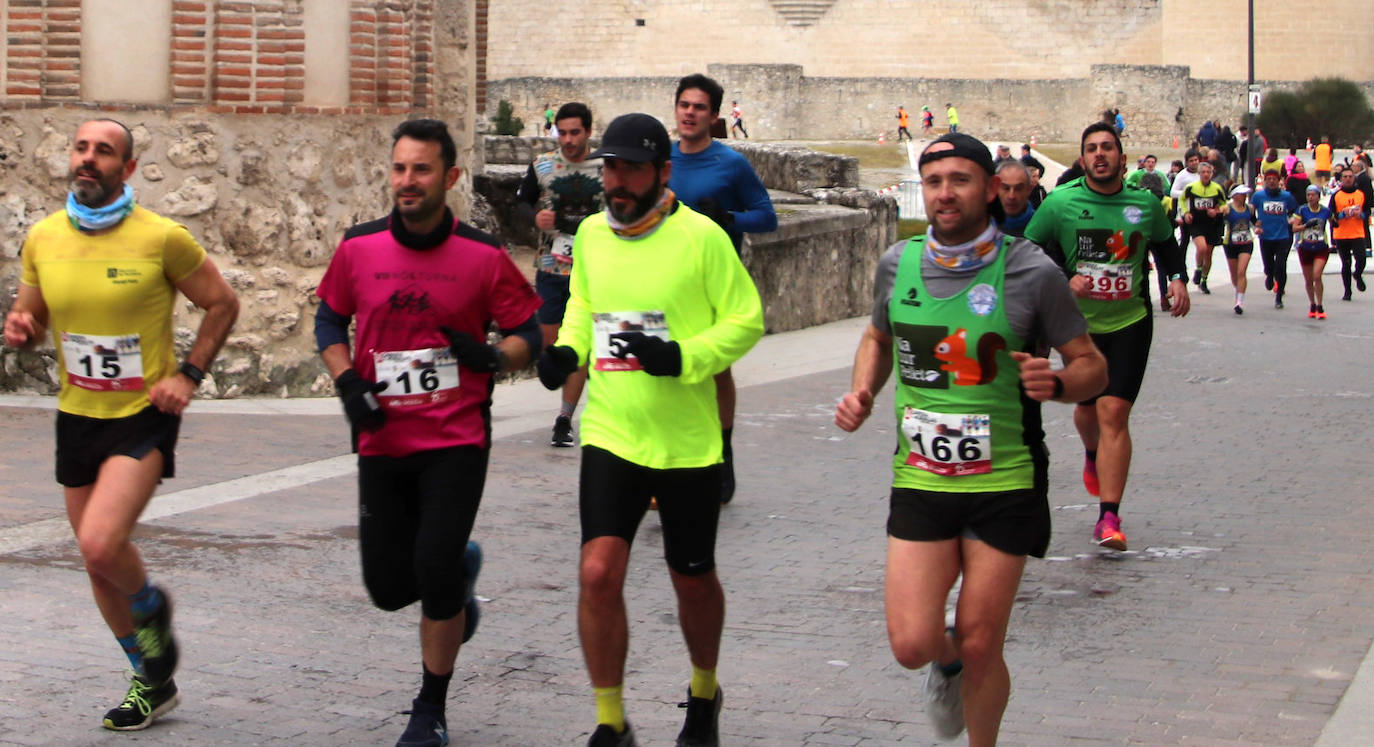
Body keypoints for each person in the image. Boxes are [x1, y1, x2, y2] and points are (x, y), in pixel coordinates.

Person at [834, 132, 1106, 746]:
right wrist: (864, 393)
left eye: (959, 180)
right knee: (910, 643)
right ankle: (946, 663)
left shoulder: (1033, 270)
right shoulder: (896, 264)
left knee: (985, 639)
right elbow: (879, 336)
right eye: (933, 182)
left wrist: (1058, 384)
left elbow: (1092, 365)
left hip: (1005, 479)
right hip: (922, 478)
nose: (945, 193)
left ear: (989, 189)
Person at [536, 112, 764, 747]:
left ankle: (703, 690)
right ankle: (611, 721)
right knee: (597, 572)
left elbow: (746, 320)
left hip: (687, 442)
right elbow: (584, 306)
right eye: (610, 166)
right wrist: (566, 354)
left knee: (692, 577)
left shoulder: (702, 238)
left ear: (663, 172)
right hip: (612, 432)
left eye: (631, 168)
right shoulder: (590, 235)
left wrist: (685, 358)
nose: (617, 179)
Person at [3, 118, 239, 730]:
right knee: (96, 562)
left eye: (103, 152)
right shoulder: (44, 237)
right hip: (76, 414)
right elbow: (30, 317)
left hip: (143, 416)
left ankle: (151, 610)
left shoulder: (163, 239)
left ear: (128, 169)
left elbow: (222, 302)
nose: (88, 159)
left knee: (101, 542)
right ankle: (150, 679)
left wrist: (186, 375)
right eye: (81, 148)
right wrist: (23, 331)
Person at [314, 119, 543, 747]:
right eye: (398, 168)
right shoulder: (358, 249)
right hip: (382, 438)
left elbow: (532, 332)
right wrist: (346, 382)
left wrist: (497, 358)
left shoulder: (482, 255)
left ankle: (430, 706)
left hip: (455, 439)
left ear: (450, 177)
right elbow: (329, 322)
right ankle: (458, 576)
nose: (406, 181)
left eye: (420, 170)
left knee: (433, 564)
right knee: (389, 588)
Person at [1024, 121, 1190, 551]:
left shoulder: (1145, 203)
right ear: (1083, 159)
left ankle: (1109, 517)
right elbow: (1027, 251)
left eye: (1107, 148)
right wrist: (1063, 279)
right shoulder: (1060, 203)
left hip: (1130, 320)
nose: (1099, 155)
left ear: (1121, 157)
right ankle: (1092, 454)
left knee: (1113, 412)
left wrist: (1177, 278)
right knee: (1087, 412)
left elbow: (1167, 243)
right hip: (1079, 328)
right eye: (1091, 149)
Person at [669, 72, 778, 504]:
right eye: (684, 105)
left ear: (713, 116)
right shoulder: (661, 160)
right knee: (670, 368)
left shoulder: (730, 164)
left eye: (699, 107)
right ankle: (675, 459)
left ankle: (722, 453)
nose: (690, 113)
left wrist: (730, 219)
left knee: (715, 369)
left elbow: (766, 217)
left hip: (715, 281)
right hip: (668, 281)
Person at [515, 102, 604, 448]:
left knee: (576, 346)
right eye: (562, 132)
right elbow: (521, 202)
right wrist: (535, 218)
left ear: (588, 132)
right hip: (553, 267)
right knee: (551, 342)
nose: (567, 139)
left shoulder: (606, 166)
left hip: (595, 269)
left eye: (574, 132)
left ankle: (564, 418)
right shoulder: (542, 166)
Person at [1250, 169, 1299, 308]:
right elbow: (1250, 212)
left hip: (1283, 235)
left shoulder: (1286, 196)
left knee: (1281, 265)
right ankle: (1269, 275)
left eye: (1274, 179)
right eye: (1269, 179)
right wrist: (1255, 224)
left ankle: (1279, 297)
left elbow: (1296, 210)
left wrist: (1292, 219)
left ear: (1279, 181)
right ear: (1265, 181)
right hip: (1266, 235)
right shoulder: (1258, 196)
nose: (1272, 182)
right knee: (1269, 265)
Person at [1182, 162, 1226, 294]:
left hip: (1212, 224)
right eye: (1203, 172)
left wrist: (1216, 211)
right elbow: (1181, 199)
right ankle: (1198, 270)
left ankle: (1204, 281)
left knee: (1209, 254)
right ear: (1199, 174)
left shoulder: (1217, 188)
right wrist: (1186, 213)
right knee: (1202, 247)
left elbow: (1224, 204)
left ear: (1212, 174)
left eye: (1208, 172)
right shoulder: (1191, 187)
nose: (1206, 174)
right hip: (1197, 223)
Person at [1330, 167, 1368, 301]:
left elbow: (1367, 212)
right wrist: (1341, 215)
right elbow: (1331, 216)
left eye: (1350, 176)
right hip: (1341, 234)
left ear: (1354, 178)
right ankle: (1347, 291)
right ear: (1340, 179)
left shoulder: (1360, 194)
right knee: (1346, 263)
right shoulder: (1336, 196)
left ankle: (1357, 274)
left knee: (1362, 259)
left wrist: (1360, 214)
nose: (1347, 179)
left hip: (1357, 233)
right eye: (1345, 177)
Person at [1294, 185, 1333, 318]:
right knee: (1309, 279)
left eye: (1313, 195)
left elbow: (1334, 220)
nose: (1310, 197)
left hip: (1321, 247)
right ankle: (1312, 303)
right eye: (1308, 195)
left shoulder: (1325, 211)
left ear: (1318, 196)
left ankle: (1320, 305)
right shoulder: (1302, 210)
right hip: (1305, 247)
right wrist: (1306, 225)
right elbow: (1294, 228)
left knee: (1317, 276)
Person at [1221, 185, 1257, 314]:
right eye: (1242, 194)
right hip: (1230, 243)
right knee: (1234, 274)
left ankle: (1239, 302)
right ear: (1235, 195)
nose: (1245, 197)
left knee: (1242, 271)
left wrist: (1257, 228)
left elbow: (1253, 222)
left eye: (1246, 194)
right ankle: (1238, 290)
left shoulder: (1250, 208)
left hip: (1246, 243)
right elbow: (1219, 221)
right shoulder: (1227, 208)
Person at [995, 159, 1034, 237]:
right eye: (1006, 188)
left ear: (1029, 190)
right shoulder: (979, 226)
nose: (1011, 196)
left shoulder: (1041, 229)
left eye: (1018, 189)